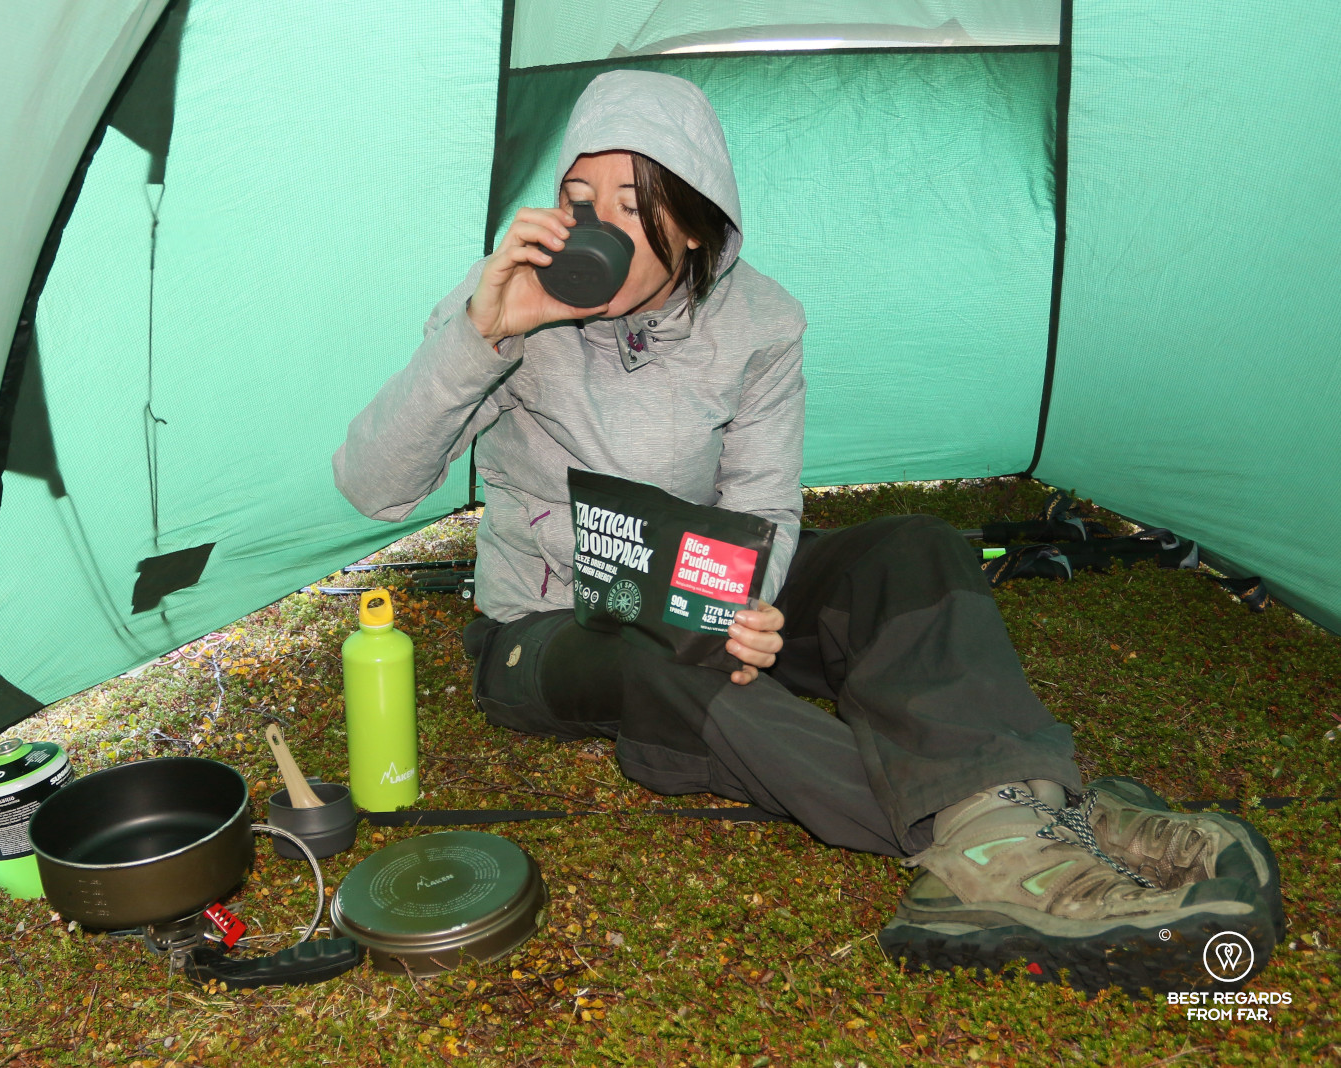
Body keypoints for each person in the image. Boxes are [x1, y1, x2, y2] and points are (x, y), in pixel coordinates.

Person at [333, 70, 1282, 992]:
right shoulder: (505, 301)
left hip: (706, 586)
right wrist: (479, 335)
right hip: (551, 630)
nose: (594, 225)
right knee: (657, 662)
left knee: (913, 547)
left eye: (631, 203)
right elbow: (373, 485)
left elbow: (762, 501)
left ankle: (1011, 819)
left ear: (698, 218)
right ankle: (1034, 832)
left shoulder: (762, 320)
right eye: (579, 197)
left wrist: (739, 600)